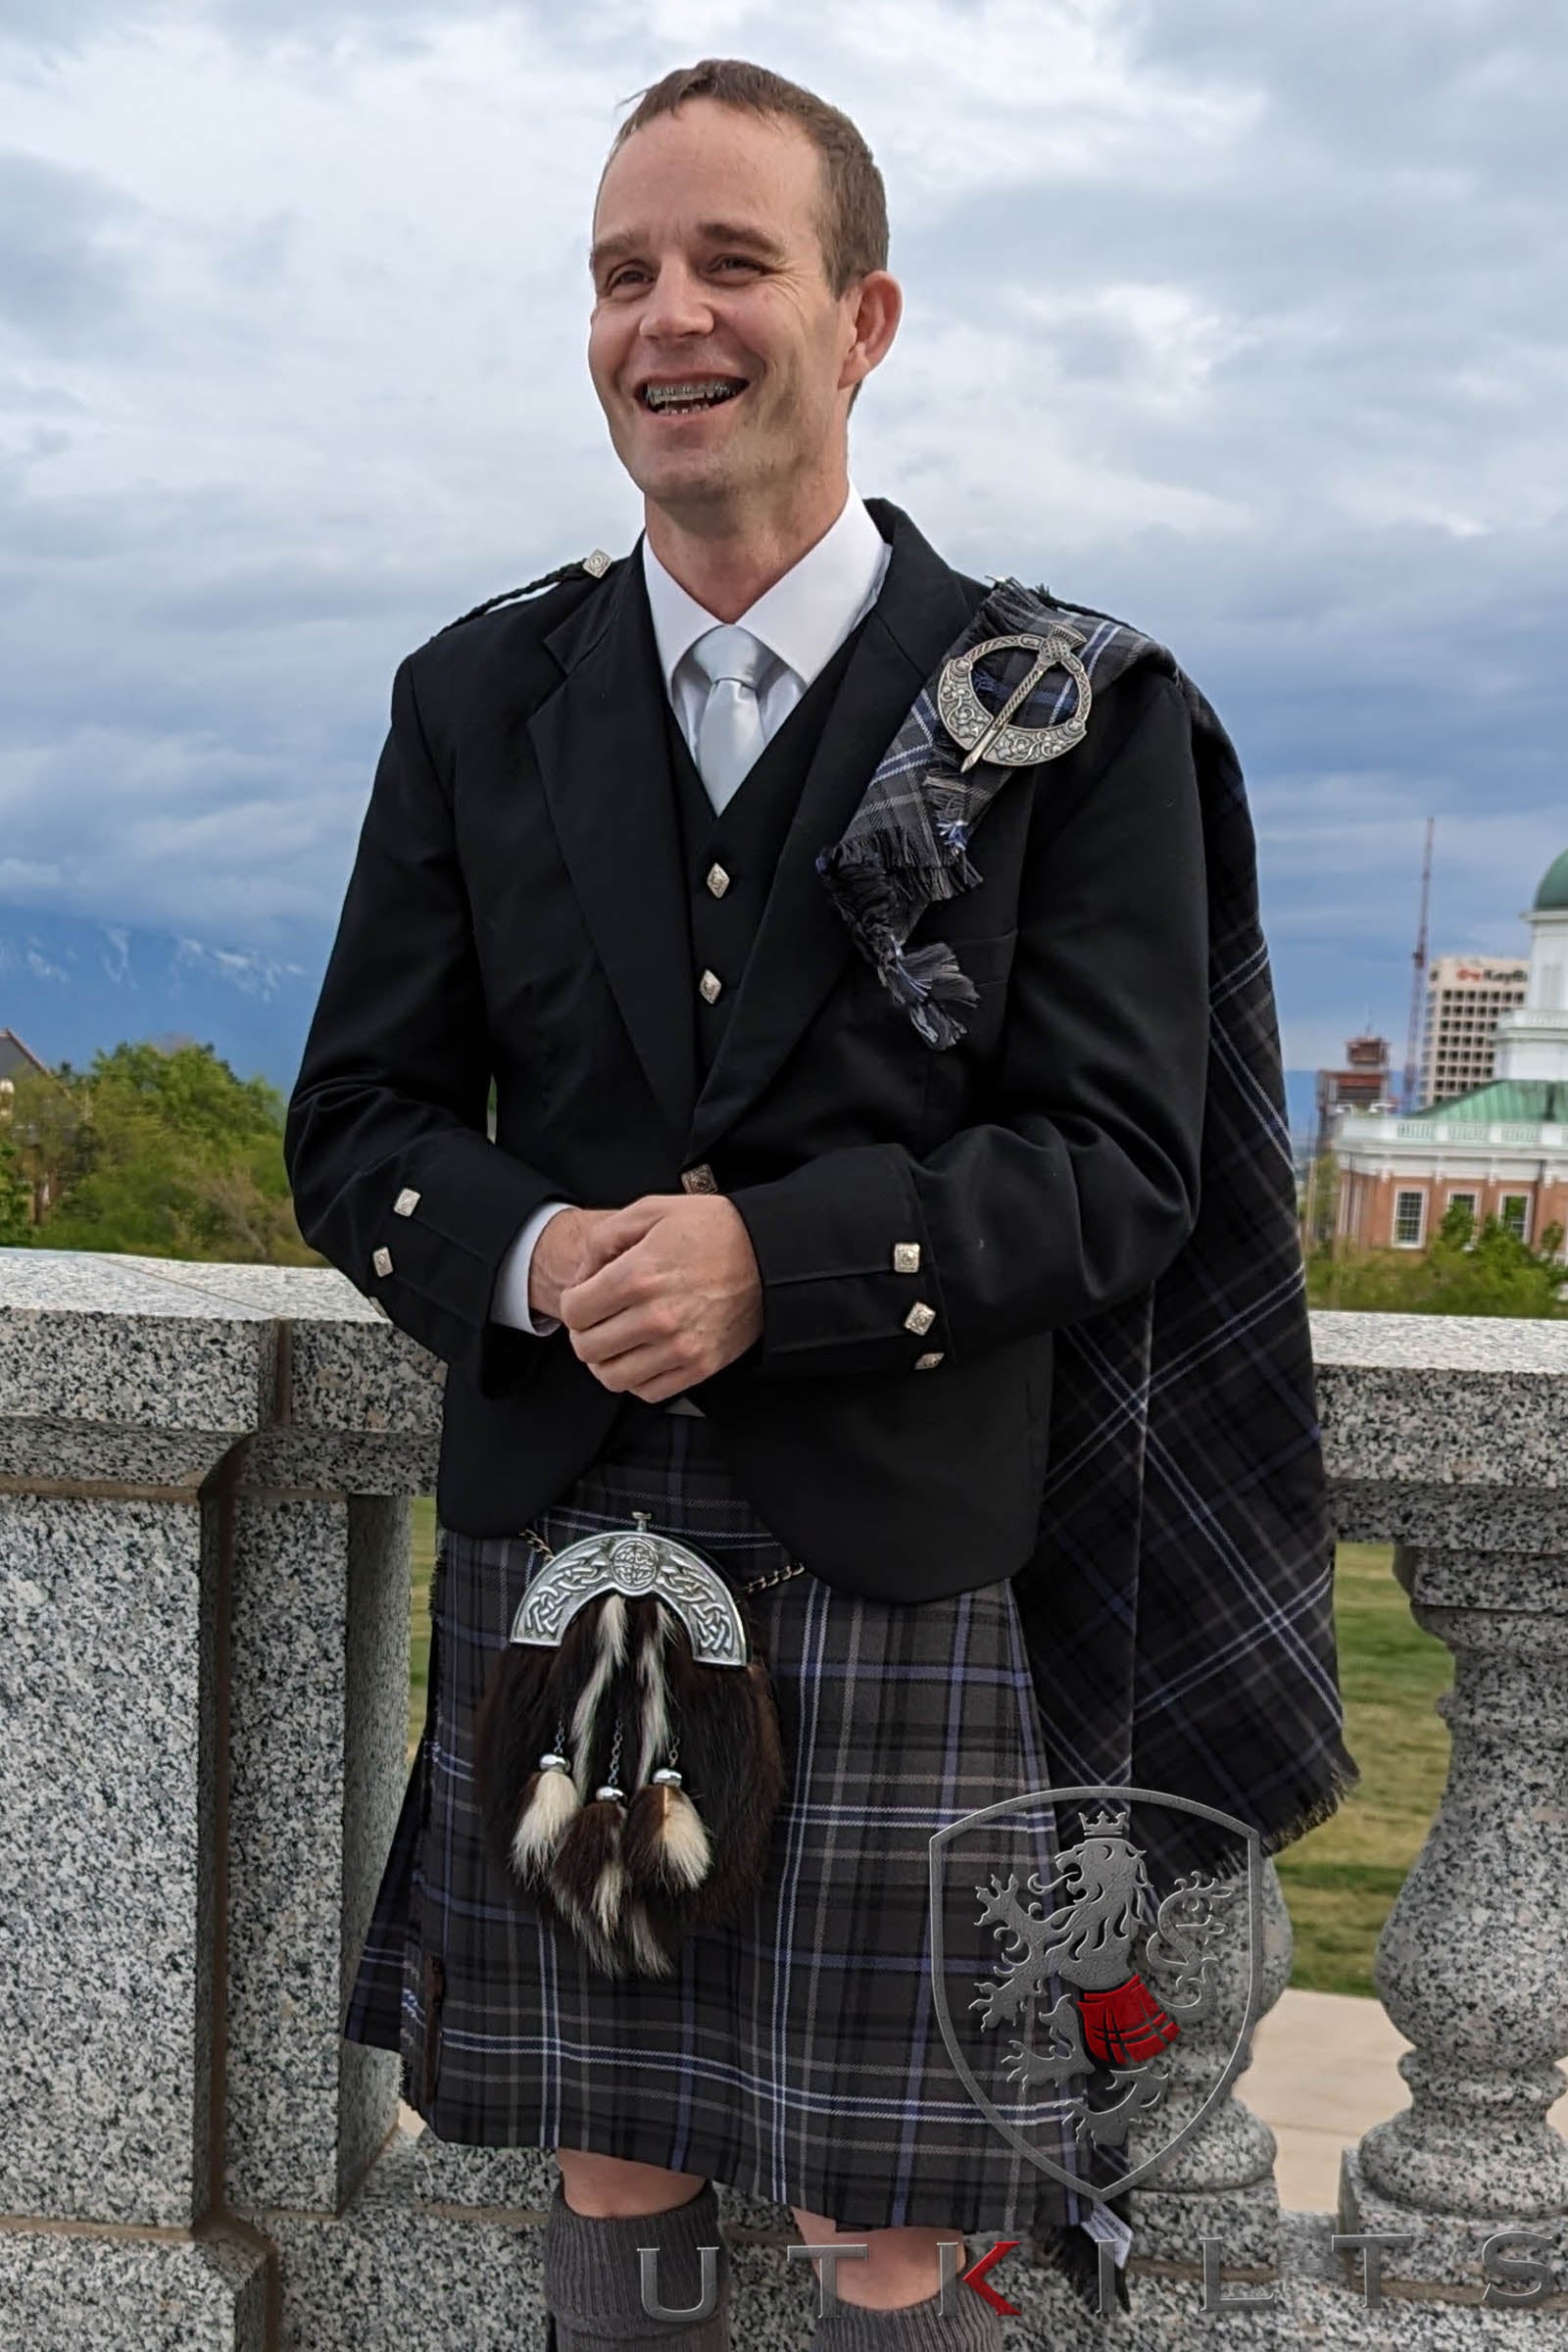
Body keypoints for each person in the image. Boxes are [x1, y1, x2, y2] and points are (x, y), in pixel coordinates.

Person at [284, 55, 1353, 2352]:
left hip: (907, 1548)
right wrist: (539, 1251)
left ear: (861, 320)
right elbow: (356, 1125)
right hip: (576, 1550)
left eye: (726, 263)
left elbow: (1121, 1169)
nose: (664, 318)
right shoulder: (476, 697)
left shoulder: (1059, 712)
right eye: (618, 274)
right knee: (615, 2147)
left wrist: (777, 1261)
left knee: (901, 2210)